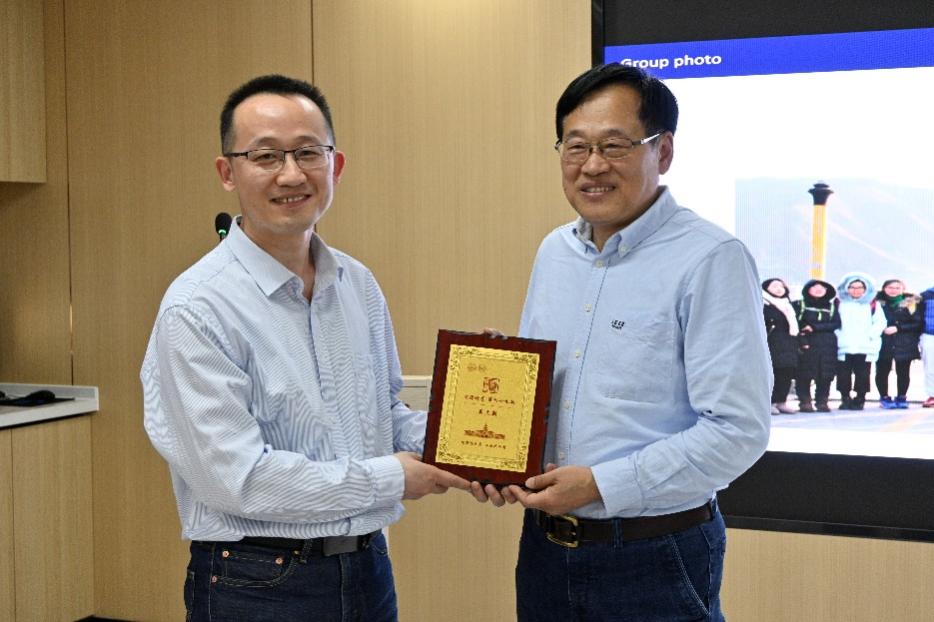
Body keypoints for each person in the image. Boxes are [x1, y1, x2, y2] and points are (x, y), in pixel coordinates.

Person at [140, 74, 468, 621]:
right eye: (265, 156)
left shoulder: (357, 283)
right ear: (228, 172)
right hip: (257, 582)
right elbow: (238, 480)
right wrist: (394, 477)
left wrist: (474, 442)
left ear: (335, 165)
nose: (291, 174)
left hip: (367, 568)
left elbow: (382, 415)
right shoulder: (196, 307)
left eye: (308, 152)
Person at [471, 64, 771, 622]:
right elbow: (545, 394)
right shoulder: (554, 252)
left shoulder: (711, 259)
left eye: (614, 145)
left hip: (654, 553)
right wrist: (497, 427)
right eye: (575, 146)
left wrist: (600, 485)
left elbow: (738, 430)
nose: (592, 166)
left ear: (663, 150)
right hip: (544, 548)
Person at [834, 272, 886, 410]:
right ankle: (845, 397)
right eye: (852, 287)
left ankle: (860, 398)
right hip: (843, 344)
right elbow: (834, 321)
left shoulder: (872, 304)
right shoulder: (839, 303)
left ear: (865, 288)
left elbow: (880, 322)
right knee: (843, 374)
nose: (855, 290)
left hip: (865, 345)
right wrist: (838, 335)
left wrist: (871, 335)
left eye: (859, 287)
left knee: (863, 374)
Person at [792, 279, 840, 412]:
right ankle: (805, 401)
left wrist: (814, 327)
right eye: (815, 287)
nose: (819, 290)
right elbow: (794, 321)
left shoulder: (831, 307)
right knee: (804, 374)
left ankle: (822, 401)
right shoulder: (799, 304)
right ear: (808, 289)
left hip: (827, 345)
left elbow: (836, 323)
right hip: (806, 343)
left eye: (822, 288)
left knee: (825, 375)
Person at [874, 279, 923, 409]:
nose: (893, 290)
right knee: (882, 371)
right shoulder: (876, 301)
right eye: (890, 287)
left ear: (903, 289)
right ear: (884, 288)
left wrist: (898, 328)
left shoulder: (911, 302)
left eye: (897, 288)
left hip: (904, 341)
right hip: (883, 341)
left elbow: (917, 323)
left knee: (903, 372)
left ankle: (901, 397)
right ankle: (884, 397)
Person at [762, 278, 799, 414]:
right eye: (774, 286)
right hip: (771, 343)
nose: (779, 289)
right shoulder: (763, 304)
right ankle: (769, 402)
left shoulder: (787, 304)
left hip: (788, 343)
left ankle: (782, 401)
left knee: (786, 373)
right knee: (773, 373)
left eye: (781, 286)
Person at [921, 285, 934, 408]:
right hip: (929, 335)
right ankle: (932, 395)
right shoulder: (925, 295)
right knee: (930, 367)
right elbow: (903, 306)